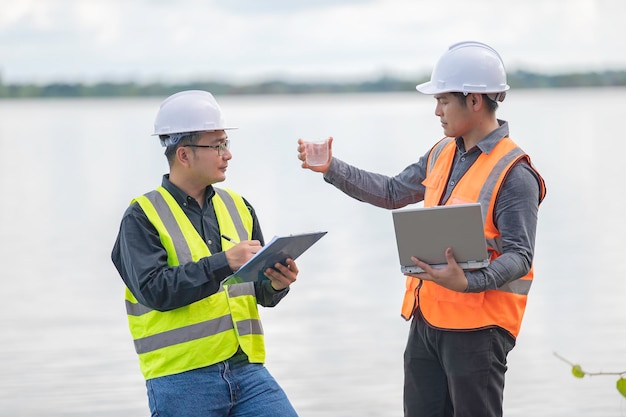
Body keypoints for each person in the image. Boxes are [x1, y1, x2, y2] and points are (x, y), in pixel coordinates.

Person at [297, 41, 546, 417]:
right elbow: (394, 192)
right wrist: (332, 167)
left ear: (475, 101)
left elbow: (519, 254)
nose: (437, 111)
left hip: (479, 330)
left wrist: (469, 282)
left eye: (444, 100)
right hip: (427, 320)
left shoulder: (515, 173)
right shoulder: (441, 152)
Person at [112, 90, 299, 417]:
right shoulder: (141, 216)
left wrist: (278, 283)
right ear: (184, 155)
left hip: (248, 370)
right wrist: (224, 262)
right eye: (218, 145)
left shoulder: (238, 206)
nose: (227, 154)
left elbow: (260, 294)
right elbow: (156, 290)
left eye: (226, 143)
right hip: (182, 379)